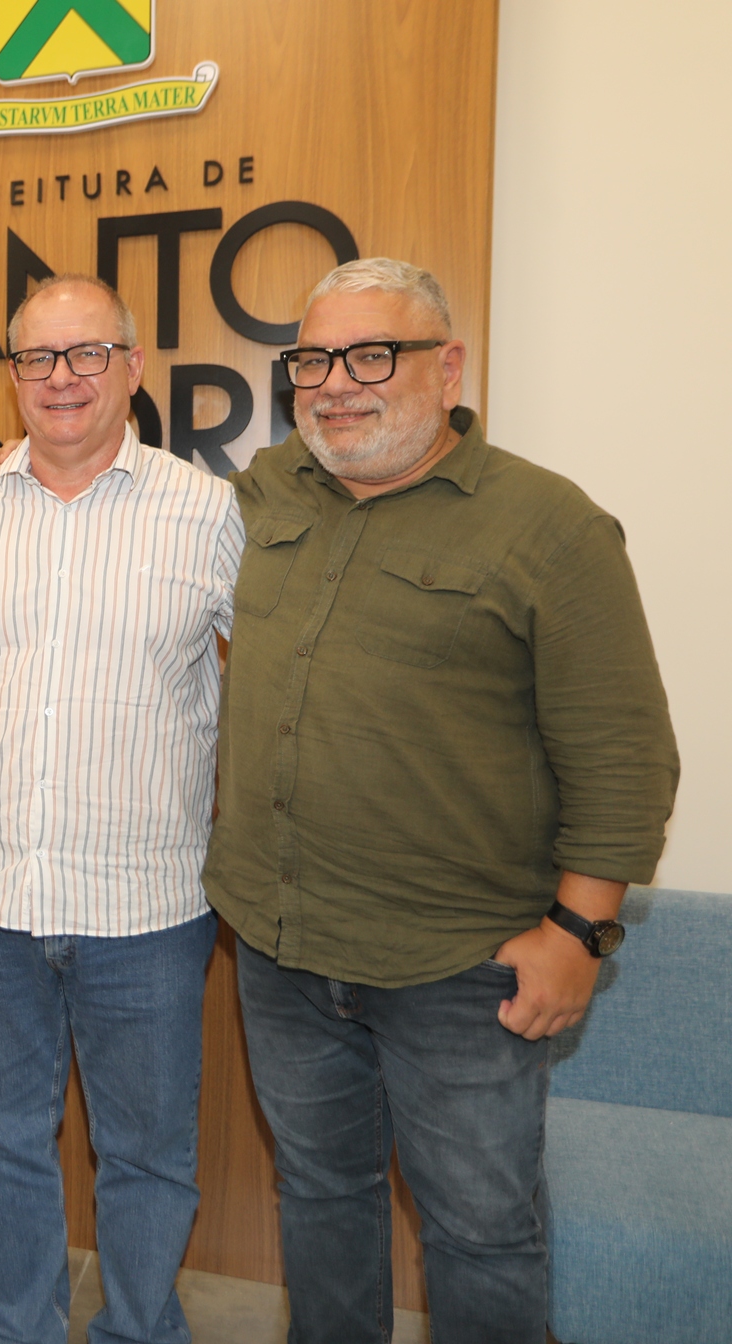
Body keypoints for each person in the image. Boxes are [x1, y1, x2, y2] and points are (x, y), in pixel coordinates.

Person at [205, 257, 679, 1343]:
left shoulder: (550, 527)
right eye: (314, 360)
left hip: (462, 969)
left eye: (373, 355)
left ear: (449, 367)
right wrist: (32, 462)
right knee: (319, 1196)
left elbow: (626, 756)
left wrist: (580, 933)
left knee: (480, 1232)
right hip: (282, 946)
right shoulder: (275, 489)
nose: (337, 384)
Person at [0, 275, 241, 1344]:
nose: (61, 378)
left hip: (146, 906)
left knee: (148, 1156)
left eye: (87, 353)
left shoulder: (207, 511)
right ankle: (18, 1330)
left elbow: (272, 681)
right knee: (4, 1141)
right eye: (36, 357)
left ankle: (139, 1331)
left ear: (133, 367)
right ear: (11, 375)